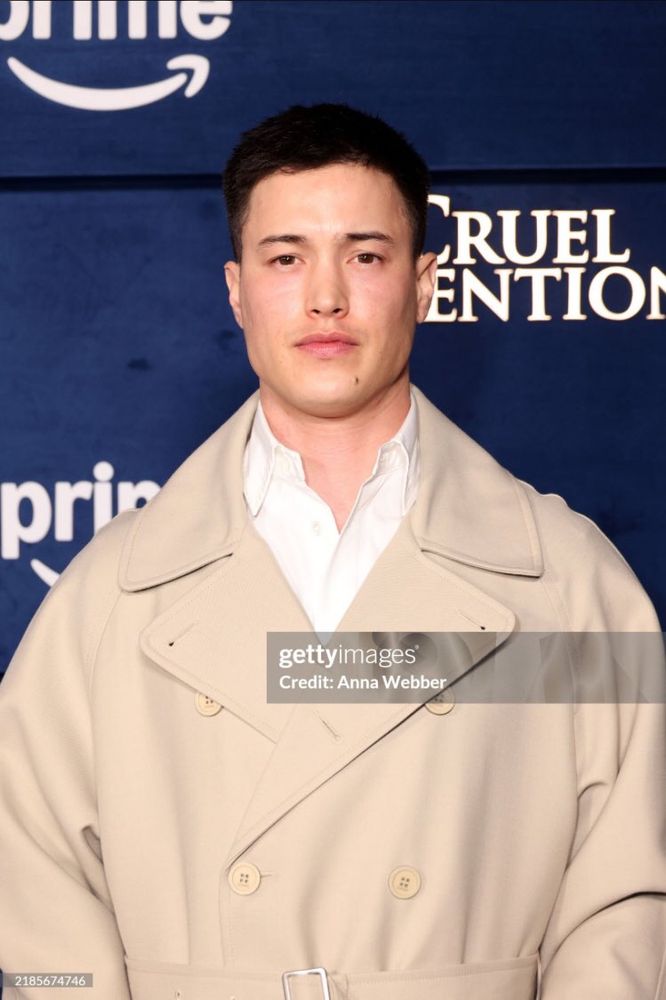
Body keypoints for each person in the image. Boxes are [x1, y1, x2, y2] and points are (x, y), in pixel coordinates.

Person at [0, 103, 664, 1000]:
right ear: (236, 289)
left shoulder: (566, 581)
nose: (326, 297)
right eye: (286, 258)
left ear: (424, 282)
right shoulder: (108, 600)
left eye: (364, 255)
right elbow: (37, 900)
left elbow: (627, 901)